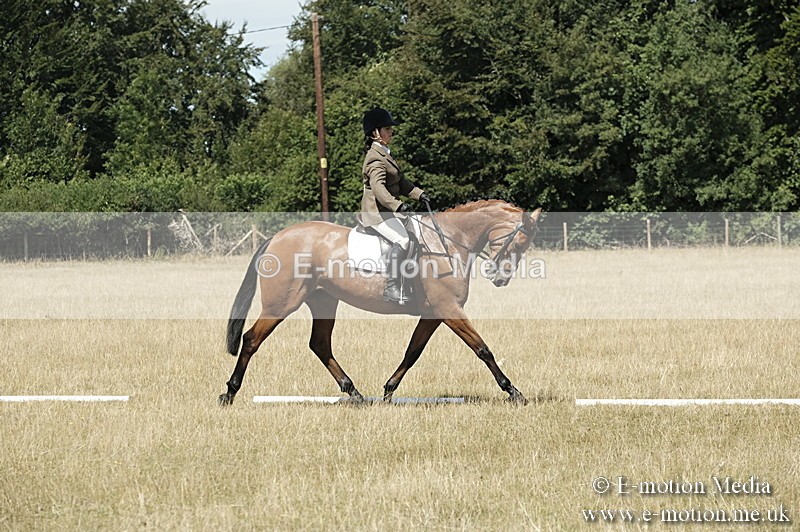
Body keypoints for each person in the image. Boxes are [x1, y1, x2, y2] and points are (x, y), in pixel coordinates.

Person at [360, 107, 430, 304]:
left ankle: (408, 282)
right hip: (377, 214)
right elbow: (379, 189)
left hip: (388, 212)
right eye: (387, 129)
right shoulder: (375, 158)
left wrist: (419, 194)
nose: (392, 132)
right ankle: (391, 288)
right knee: (403, 240)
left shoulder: (385, 154)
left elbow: (401, 183)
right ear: (375, 133)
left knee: (416, 235)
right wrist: (398, 206)